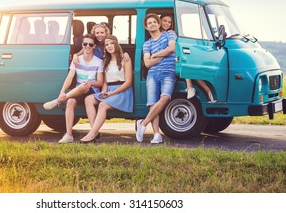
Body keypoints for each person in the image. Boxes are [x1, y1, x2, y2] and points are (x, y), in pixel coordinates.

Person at [43, 34, 104, 143]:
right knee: (70, 101)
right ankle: (69, 135)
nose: (87, 46)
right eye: (85, 44)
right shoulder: (77, 60)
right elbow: (70, 77)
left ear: (94, 46)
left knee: (83, 85)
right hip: (78, 90)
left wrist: (89, 83)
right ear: (82, 45)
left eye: (90, 44)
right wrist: (62, 91)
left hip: (92, 91)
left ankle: (58, 100)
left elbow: (100, 82)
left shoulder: (98, 62)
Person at [80, 35, 133, 143]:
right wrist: (104, 91)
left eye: (111, 43)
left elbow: (128, 82)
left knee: (102, 105)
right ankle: (95, 131)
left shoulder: (125, 59)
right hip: (109, 90)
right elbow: (105, 82)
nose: (109, 46)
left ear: (117, 44)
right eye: (106, 45)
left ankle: (91, 134)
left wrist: (111, 93)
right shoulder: (105, 61)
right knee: (88, 99)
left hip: (121, 91)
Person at [136, 13, 176, 144]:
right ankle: (157, 135)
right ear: (147, 28)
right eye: (149, 23)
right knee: (152, 103)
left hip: (168, 71)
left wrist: (156, 55)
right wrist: (165, 53)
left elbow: (172, 48)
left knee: (165, 97)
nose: (152, 24)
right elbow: (147, 64)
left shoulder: (169, 34)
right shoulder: (147, 44)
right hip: (152, 73)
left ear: (159, 24)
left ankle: (143, 123)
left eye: (154, 22)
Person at [159, 14, 216, 103]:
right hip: (166, 62)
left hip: (174, 58)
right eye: (164, 21)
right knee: (186, 68)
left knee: (190, 69)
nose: (167, 24)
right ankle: (193, 88)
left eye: (169, 22)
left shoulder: (171, 33)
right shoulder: (158, 34)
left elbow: (172, 48)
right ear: (160, 21)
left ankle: (205, 91)